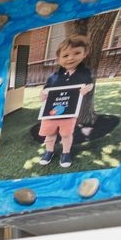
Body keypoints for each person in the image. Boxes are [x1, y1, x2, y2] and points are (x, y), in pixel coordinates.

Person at [35, 34, 95, 169]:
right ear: (58, 59)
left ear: (84, 54)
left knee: (66, 134)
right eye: (65, 55)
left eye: (77, 53)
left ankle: (66, 153)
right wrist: (43, 94)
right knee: (49, 134)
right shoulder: (53, 77)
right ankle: (49, 151)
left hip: (69, 112)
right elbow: (45, 90)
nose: (71, 58)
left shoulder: (84, 73)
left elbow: (90, 85)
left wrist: (88, 88)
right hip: (51, 112)